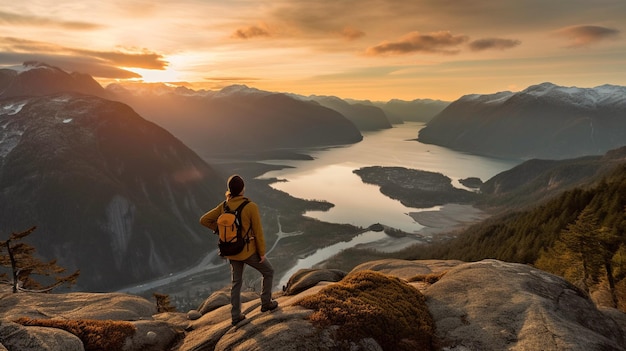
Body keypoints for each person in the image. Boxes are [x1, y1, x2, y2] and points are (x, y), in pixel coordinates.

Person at [200, 174, 277, 325]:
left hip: (231, 251)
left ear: (229, 190)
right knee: (269, 272)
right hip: (248, 252)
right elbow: (258, 232)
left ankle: (236, 316)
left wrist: (218, 230)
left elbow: (204, 220)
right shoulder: (250, 207)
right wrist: (261, 252)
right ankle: (266, 303)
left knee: (236, 283)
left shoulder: (224, 206)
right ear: (242, 189)